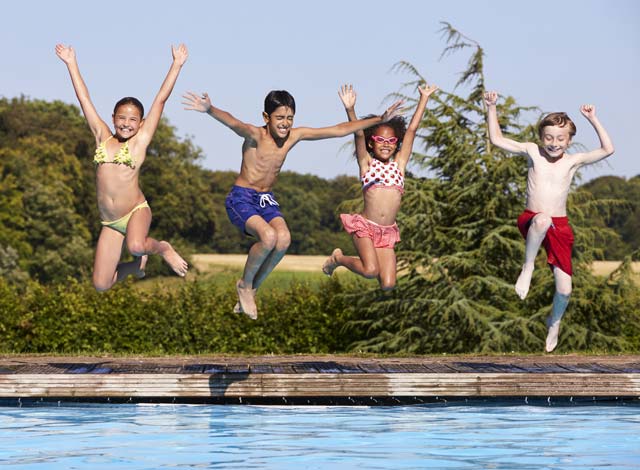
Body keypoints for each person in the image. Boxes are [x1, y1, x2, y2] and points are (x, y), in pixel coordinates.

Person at [183, 89, 402, 319]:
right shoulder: (256, 135)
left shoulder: (293, 136)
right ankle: (245, 285)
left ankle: (252, 289)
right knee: (268, 237)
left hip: (266, 199)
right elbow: (234, 123)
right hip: (242, 197)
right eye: (279, 118)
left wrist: (378, 120)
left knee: (284, 239)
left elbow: (336, 131)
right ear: (266, 117)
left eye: (289, 118)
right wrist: (210, 110)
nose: (285, 124)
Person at [483, 91, 614, 352]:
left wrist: (593, 119)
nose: (554, 143)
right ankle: (528, 267)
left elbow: (608, 149)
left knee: (565, 290)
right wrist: (491, 107)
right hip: (533, 220)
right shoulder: (533, 151)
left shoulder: (573, 161)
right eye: (549, 138)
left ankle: (554, 321)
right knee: (542, 220)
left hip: (560, 225)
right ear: (541, 138)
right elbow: (496, 139)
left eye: (560, 139)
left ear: (569, 140)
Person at [56, 44, 189, 291]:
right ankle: (137, 267)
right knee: (101, 285)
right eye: (121, 118)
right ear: (113, 117)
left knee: (137, 246)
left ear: (141, 123)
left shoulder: (139, 142)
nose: (126, 123)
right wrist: (71, 63)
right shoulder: (103, 137)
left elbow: (160, 99)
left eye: (132, 119)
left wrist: (176, 65)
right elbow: (84, 99)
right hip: (110, 222)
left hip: (135, 211)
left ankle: (163, 248)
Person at [321, 83, 438, 290]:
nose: (386, 144)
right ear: (370, 144)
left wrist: (424, 99)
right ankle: (338, 259)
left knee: (388, 284)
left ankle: (368, 264)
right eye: (380, 140)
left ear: (396, 144)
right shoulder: (367, 164)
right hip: (365, 227)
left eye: (391, 140)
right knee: (370, 270)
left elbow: (411, 130)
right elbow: (358, 134)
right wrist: (350, 110)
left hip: (387, 232)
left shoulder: (399, 165)